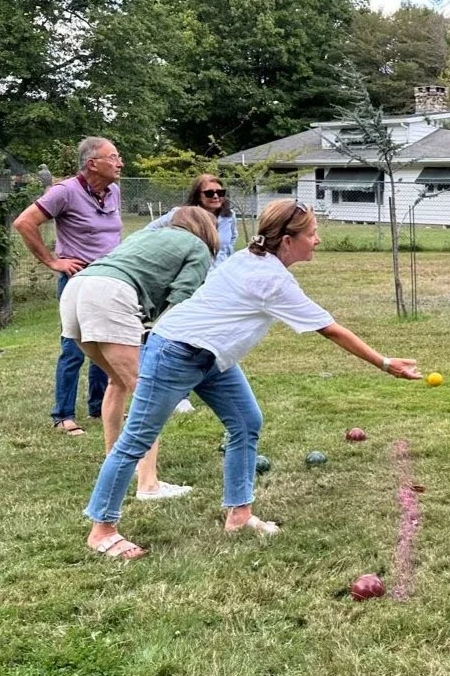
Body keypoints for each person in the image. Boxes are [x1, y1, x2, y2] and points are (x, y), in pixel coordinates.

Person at [84, 199, 422, 560]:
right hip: (176, 351)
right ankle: (101, 529)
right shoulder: (271, 278)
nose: (318, 240)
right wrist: (385, 363)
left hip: (210, 356)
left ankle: (239, 515)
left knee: (246, 422)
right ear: (288, 241)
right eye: (312, 234)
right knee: (137, 439)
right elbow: (331, 330)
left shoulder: (252, 256)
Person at [60, 206, 219, 500]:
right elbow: (183, 298)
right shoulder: (198, 247)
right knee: (148, 391)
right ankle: (149, 484)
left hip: (76, 289)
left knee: (117, 381)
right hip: (111, 295)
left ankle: (115, 461)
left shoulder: (148, 235)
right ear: (208, 230)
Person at [13, 137, 123, 436]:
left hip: (110, 279)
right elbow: (24, 222)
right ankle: (63, 415)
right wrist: (53, 261)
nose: (120, 163)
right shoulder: (65, 191)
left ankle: (99, 405)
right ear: (92, 163)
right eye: (113, 157)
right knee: (74, 347)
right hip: (78, 281)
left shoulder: (113, 191)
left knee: (107, 343)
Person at [148, 174, 239, 414]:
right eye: (210, 193)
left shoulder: (229, 217)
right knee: (184, 338)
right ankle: (180, 395)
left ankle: (211, 385)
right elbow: (150, 231)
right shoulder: (182, 214)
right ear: (197, 196)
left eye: (221, 192)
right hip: (191, 283)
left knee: (212, 336)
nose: (217, 196)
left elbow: (229, 246)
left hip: (218, 287)